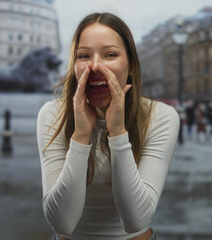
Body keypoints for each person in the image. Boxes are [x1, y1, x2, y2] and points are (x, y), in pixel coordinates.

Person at [36, 13, 179, 240]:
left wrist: (118, 132)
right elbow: (62, 222)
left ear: (131, 65)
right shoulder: (52, 114)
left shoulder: (160, 116)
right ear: (74, 65)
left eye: (110, 54)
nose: (94, 66)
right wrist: (81, 135)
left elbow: (136, 220)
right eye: (84, 55)